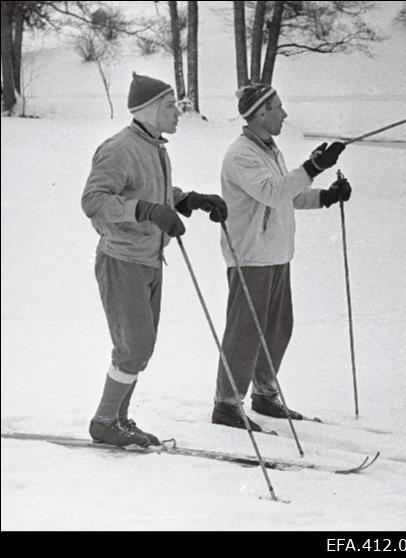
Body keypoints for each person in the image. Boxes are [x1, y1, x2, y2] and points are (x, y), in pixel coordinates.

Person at [81, 73, 228, 447]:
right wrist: (146, 210)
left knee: (139, 348)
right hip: (122, 259)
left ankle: (118, 419)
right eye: (169, 105)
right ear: (147, 111)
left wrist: (188, 199)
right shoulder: (118, 148)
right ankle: (104, 421)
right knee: (135, 347)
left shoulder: (154, 147)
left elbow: (151, 189)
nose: (178, 112)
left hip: (149, 259)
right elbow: (94, 200)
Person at [211, 83, 351, 430]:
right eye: (278, 107)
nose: (285, 114)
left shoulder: (270, 150)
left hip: (276, 253)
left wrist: (324, 196)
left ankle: (264, 393)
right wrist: (312, 166)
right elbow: (274, 192)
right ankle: (227, 403)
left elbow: (288, 193)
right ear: (260, 113)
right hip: (251, 256)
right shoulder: (241, 155)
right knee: (246, 331)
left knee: (278, 328)